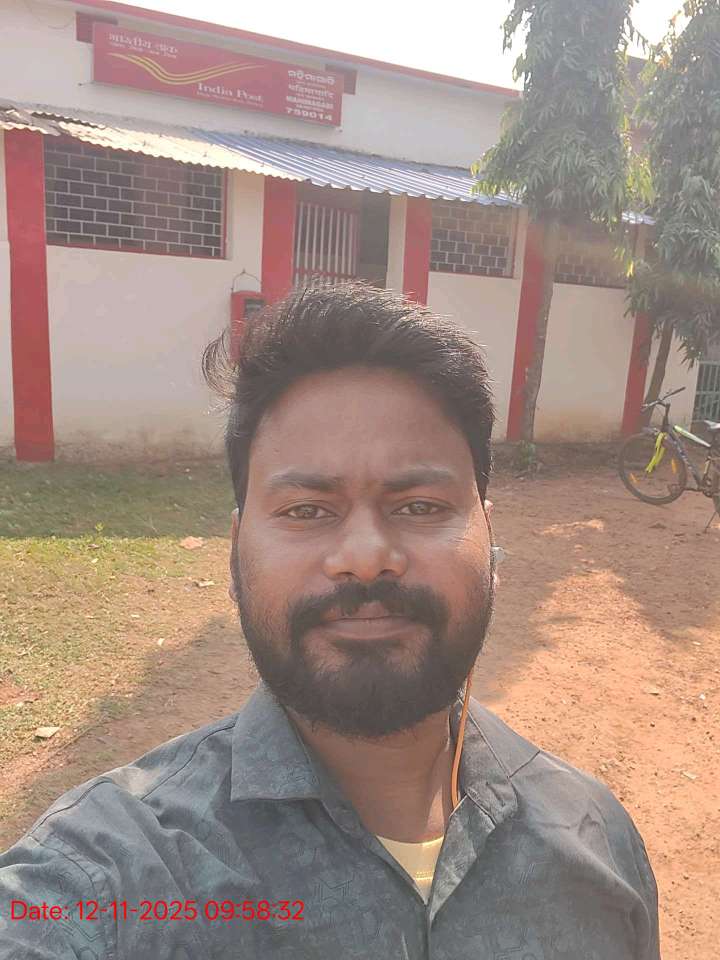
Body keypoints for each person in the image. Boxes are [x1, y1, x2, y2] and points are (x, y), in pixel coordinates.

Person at [0, 283, 659, 959]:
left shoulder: (599, 846)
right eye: (307, 511)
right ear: (235, 554)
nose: (365, 558)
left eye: (421, 505)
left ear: (490, 543)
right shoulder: (103, 884)